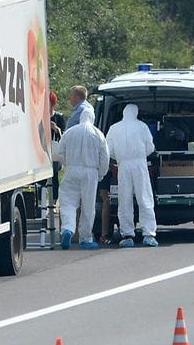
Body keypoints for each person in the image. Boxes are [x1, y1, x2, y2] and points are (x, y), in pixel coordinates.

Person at [53, 109, 109, 250]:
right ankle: (86, 238)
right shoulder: (98, 134)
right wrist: (100, 174)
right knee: (88, 206)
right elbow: (105, 157)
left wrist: (68, 164)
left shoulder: (70, 132)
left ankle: (67, 228)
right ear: (92, 118)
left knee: (68, 202)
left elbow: (60, 152)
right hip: (90, 172)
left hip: (72, 170)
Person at [106, 103, 158, 247]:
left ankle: (127, 234)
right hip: (140, 164)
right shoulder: (142, 126)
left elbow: (109, 150)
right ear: (136, 113)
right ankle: (149, 233)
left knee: (124, 200)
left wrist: (120, 158)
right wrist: (140, 156)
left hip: (123, 165)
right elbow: (150, 147)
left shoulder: (114, 128)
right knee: (145, 198)